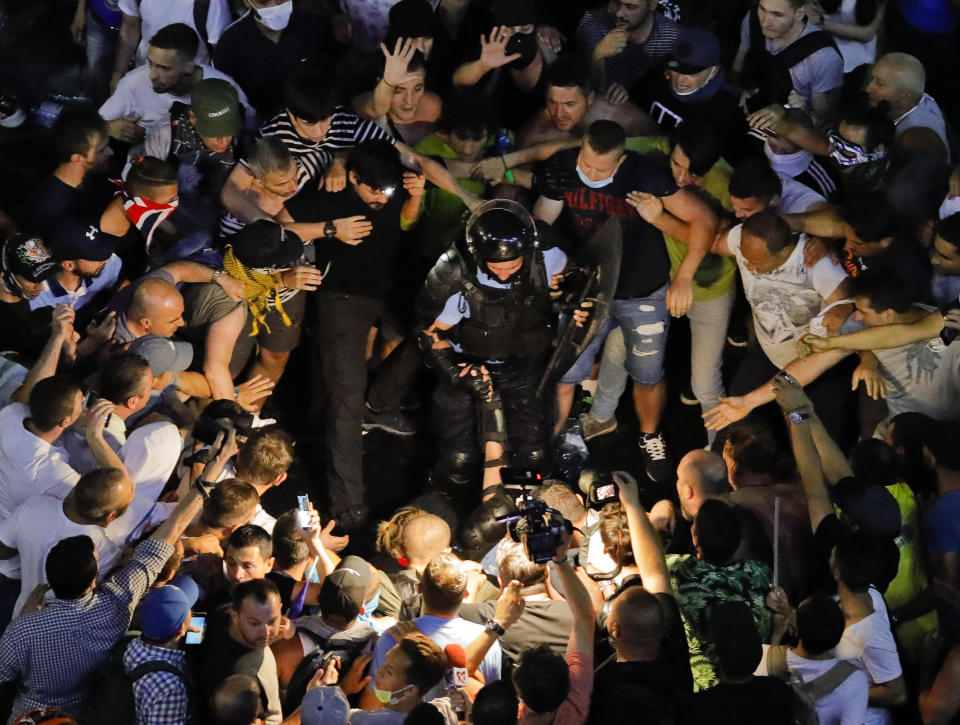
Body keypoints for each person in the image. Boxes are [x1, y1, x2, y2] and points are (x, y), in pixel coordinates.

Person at [0, 431, 230, 720]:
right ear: (94, 580)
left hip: (30, 710)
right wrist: (211, 470)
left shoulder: (23, 629)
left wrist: (27, 620)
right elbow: (170, 531)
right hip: (87, 711)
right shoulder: (116, 607)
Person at [534, 120, 717, 482]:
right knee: (565, 371)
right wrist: (554, 261)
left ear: (619, 163)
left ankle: (650, 435)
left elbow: (705, 220)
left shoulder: (643, 175)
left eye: (600, 169)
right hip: (587, 289)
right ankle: (549, 440)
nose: (589, 173)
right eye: (585, 164)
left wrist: (683, 278)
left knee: (647, 374)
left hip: (642, 292)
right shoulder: (564, 165)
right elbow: (543, 223)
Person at [284, 140, 424, 528]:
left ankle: (378, 403)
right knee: (345, 394)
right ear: (351, 178)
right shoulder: (328, 196)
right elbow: (278, 225)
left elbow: (403, 220)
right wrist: (330, 231)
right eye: (372, 190)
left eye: (387, 191)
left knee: (430, 333)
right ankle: (349, 506)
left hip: (385, 290)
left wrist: (414, 197)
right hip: (341, 298)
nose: (380, 197)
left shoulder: (392, 189)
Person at [589, 471, 693, 723]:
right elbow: (655, 573)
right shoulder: (674, 656)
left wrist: (560, 562)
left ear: (614, 630)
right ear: (660, 626)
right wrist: (633, 505)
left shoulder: (600, 685)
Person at [364, 552, 502, 707]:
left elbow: (372, 706)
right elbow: (490, 703)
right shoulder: (486, 642)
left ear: (419, 589)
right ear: (465, 594)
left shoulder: (392, 637)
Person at [103, 23, 250, 148]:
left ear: (189, 67)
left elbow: (249, 128)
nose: (152, 75)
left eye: (163, 68)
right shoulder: (133, 83)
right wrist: (109, 127)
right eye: (151, 63)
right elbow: (92, 127)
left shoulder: (224, 88)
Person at [631, 27, 754, 165]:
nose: (680, 79)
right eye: (677, 69)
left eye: (691, 72)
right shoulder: (658, 76)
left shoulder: (726, 109)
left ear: (713, 71)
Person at [512, 522, 595, 725]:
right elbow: (585, 617)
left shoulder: (509, 718)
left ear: (519, 692)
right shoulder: (575, 703)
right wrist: (560, 560)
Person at [759, 593, 870, 725]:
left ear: (796, 628)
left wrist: (776, 635)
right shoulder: (855, 681)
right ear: (839, 638)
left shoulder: (763, 657)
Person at [212, 0, 336, 118]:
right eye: (263, 1)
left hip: (315, 117)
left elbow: (335, 70)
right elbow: (229, 98)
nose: (274, 6)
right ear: (246, 2)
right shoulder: (229, 46)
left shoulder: (313, 26)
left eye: (281, 0)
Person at [736, 0, 843, 127]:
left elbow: (823, 119)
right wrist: (741, 89)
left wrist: (799, 111)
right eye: (762, 9)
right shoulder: (753, 20)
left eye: (777, 15)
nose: (765, 22)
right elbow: (740, 60)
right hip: (749, 112)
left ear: (799, 13)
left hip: (789, 129)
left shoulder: (823, 57)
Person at [199, 578, 285, 725]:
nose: (265, 632)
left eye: (272, 621)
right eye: (254, 623)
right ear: (235, 615)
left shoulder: (219, 612)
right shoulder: (250, 674)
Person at [27, 107, 115, 238]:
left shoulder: (91, 174)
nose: (110, 152)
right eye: (101, 150)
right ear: (77, 158)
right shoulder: (52, 208)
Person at [123, 577, 199, 725]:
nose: (192, 610)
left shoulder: (132, 646)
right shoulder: (170, 688)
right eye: (188, 610)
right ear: (182, 629)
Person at [110, 0, 232, 85]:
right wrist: (119, 72)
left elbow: (221, 52)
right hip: (143, 74)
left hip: (189, 87)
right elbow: (130, 25)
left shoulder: (213, 3)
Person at [576, 0, 681, 91]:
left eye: (630, 6)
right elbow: (591, 90)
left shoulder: (672, 37)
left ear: (652, 4)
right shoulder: (594, 23)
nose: (619, 13)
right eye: (616, 2)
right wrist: (597, 56)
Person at [864, 52, 951, 160]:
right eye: (872, 79)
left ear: (904, 96)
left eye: (880, 84)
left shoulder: (916, 140)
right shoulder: (916, 96)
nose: (868, 89)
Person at [0, 235, 60, 360]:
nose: (42, 287)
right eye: (33, 280)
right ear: (9, 273)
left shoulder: (21, 300)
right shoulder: (11, 326)